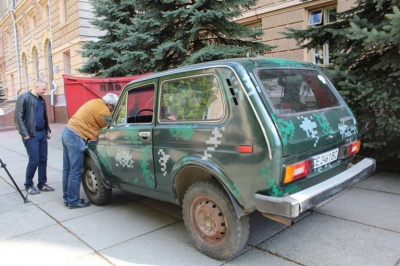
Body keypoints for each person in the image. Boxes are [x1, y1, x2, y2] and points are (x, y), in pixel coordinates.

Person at [62, 93, 119, 209]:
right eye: (113, 108)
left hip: (67, 132)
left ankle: (67, 198)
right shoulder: (103, 111)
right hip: (76, 137)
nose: (112, 111)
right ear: (109, 105)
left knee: (68, 169)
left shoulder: (95, 102)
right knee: (76, 170)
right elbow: (108, 128)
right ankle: (73, 201)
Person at [14, 79, 54, 195]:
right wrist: (24, 133)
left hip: (42, 134)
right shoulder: (24, 97)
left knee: (43, 159)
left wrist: (47, 130)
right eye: (44, 89)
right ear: (37, 86)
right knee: (34, 160)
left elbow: (44, 116)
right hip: (31, 135)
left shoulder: (41, 100)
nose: (45, 91)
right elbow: (18, 117)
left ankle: (42, 183)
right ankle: (28, 185)